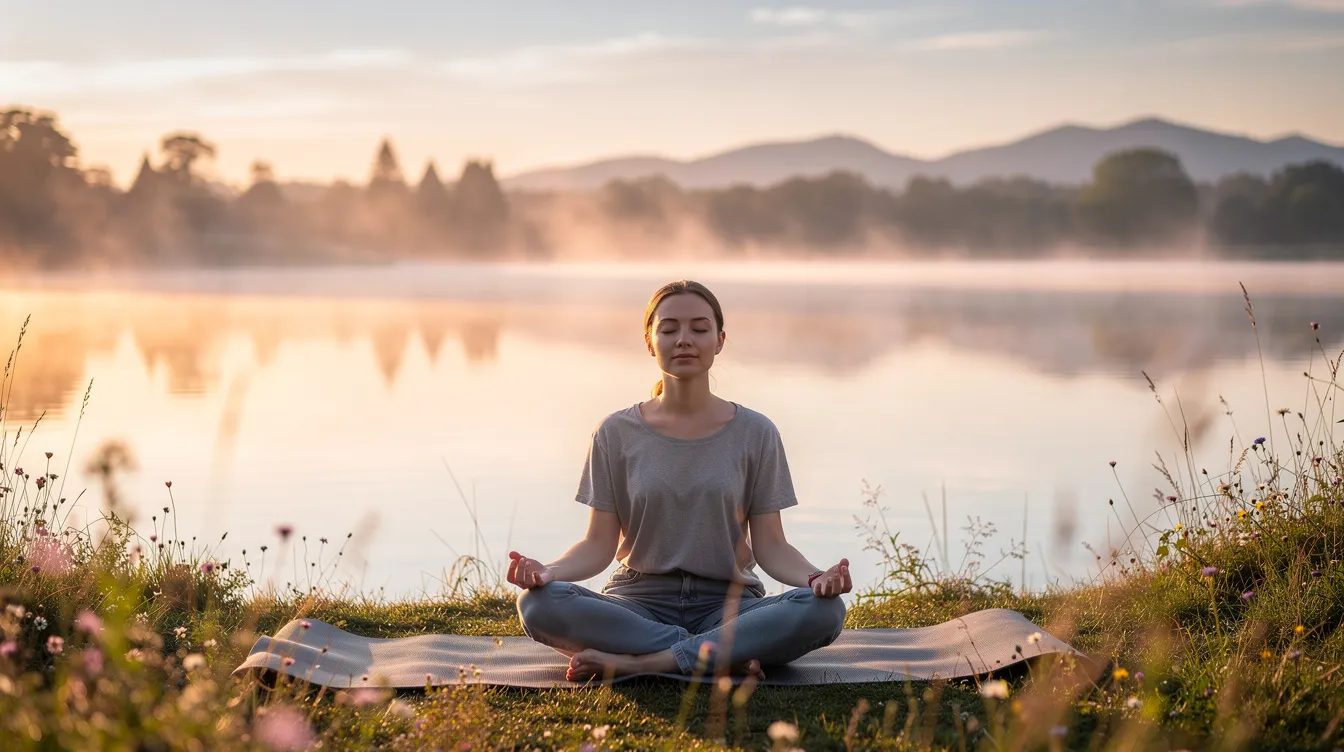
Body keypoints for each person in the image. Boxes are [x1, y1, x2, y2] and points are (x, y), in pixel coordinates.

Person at [511, 280, 851, 682]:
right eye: (669, 329)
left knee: (824, 610)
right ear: (649, 342)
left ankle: (643, 662)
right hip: (636, 603)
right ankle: (720, 654)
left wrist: (816, 579)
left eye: (699, 328)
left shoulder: (756, 432)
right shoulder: (615, 433)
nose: (684, 340)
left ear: (720, 340)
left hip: (730, 604)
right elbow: (597, 545)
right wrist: (548, 572)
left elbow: (772, 547)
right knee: (538, 605)